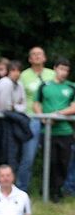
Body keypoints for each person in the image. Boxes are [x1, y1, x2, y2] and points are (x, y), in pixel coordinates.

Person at [33, 58, 75, 202]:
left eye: (66, 70)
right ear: (55, 69)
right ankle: (50, 191)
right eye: (61, 69)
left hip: (65, 131)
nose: (64, 73)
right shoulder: (45, 85)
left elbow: (74, 107)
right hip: (48, 131)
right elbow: (36, 103)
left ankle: (58, 190)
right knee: (50, 161)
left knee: (64, 162)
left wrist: (58, 114)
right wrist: (42, 116)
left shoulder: (71, 87)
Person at [18, 47, 54, 191]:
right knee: (28, 157)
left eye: (40, 54)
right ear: (29, 59)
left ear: (45, 58)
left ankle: (51, 191)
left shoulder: (52, 74)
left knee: (54, 157)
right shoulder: (23, 75)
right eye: (33, 54)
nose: (37, 57)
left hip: (51, 120)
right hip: (31, 119)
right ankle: (22, 189)